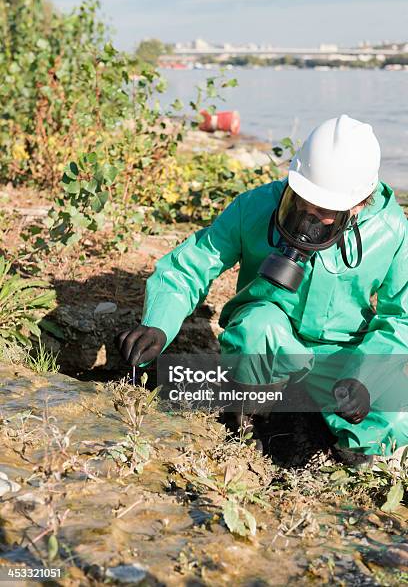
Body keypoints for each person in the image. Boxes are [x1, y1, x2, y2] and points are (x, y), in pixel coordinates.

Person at [117, 114, 408, 466]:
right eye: (301, 198)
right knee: (258, 326)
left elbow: (400, 318)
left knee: (395, 407)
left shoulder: (391, 230)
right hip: (270, 341)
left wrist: (366, 381)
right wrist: (158, 322)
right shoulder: (256, 206)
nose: (307, 214)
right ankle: (249, 414)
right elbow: (192, 263)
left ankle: (350, 445)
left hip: (342, 356)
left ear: (360, 203)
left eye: (324, 209)